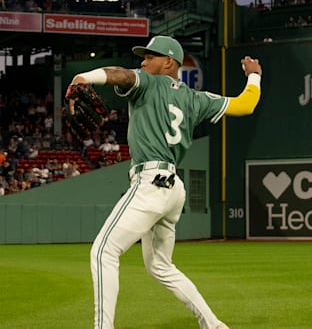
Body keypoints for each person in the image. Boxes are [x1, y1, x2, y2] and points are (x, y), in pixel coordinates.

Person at [71, 35, 263, 329]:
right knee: (160, 266)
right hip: (173, 188)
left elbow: (117, 74)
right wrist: (254, 76)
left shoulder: (148, 82)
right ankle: (214, 325)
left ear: (168, 63)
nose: (143, 62)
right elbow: (245, 105)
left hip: (150, 182)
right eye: (143, 57)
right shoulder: (196, 99)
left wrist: (84, 77)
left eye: (150, 57)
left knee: (102, 251)